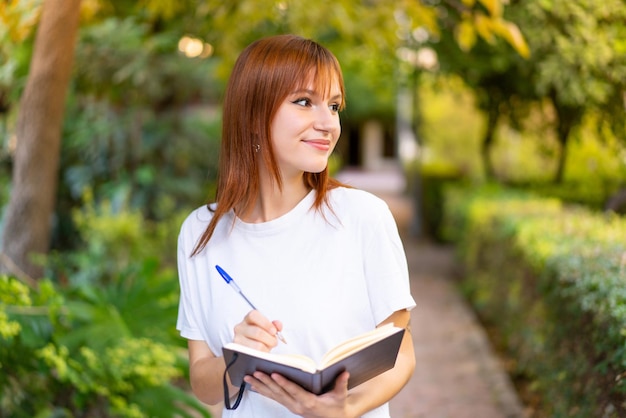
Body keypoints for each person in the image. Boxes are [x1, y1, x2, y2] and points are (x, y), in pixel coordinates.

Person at [176, 34, 416, 418]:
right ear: (253, 115)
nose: (327, 124)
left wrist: (344, 408)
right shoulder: (200, 232)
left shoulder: (362, 217)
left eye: (334, 106)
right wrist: (236, 360)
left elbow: (401, 353)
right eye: (304, 102)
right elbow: (202, 383)